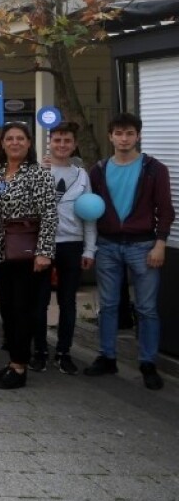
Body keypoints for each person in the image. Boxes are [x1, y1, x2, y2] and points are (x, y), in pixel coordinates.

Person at [85, 113, 173, 390]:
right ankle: (107, 356)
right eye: (119, 133)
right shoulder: (98, 170)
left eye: (129, 133)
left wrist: (160, 243)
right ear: (110, 136)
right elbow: (89, 208)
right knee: (108, 306)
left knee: (147, 308)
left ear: (138, 136)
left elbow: (166, 210)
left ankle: (148, 362)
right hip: (108, 244)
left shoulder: (154, 169)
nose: (124, 139)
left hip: (143, 245)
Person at [0, 122, 57, 390]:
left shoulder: (40, 174)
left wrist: (44, 252)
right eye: (9, 138)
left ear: (29, 143)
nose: (14, 143)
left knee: (24, 309)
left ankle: (21, 367)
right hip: (2, 250)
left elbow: (49, 215)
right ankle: (13, 361)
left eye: (20, 139)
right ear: (2, 144)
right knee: (8, 309)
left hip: (29, 251)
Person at [33, 123, 97, 375]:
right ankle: (39, 351)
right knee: (39, 302)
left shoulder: (82, 175)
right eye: (57, 140)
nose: (61, 145)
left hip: (72, 244)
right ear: (50, 142)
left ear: (74, 144)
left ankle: (63, 352)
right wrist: (41, 176)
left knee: (67, 302)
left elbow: (90, 214)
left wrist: (90, 249)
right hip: (41, 244)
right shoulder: (38, 169)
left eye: (67, 140)